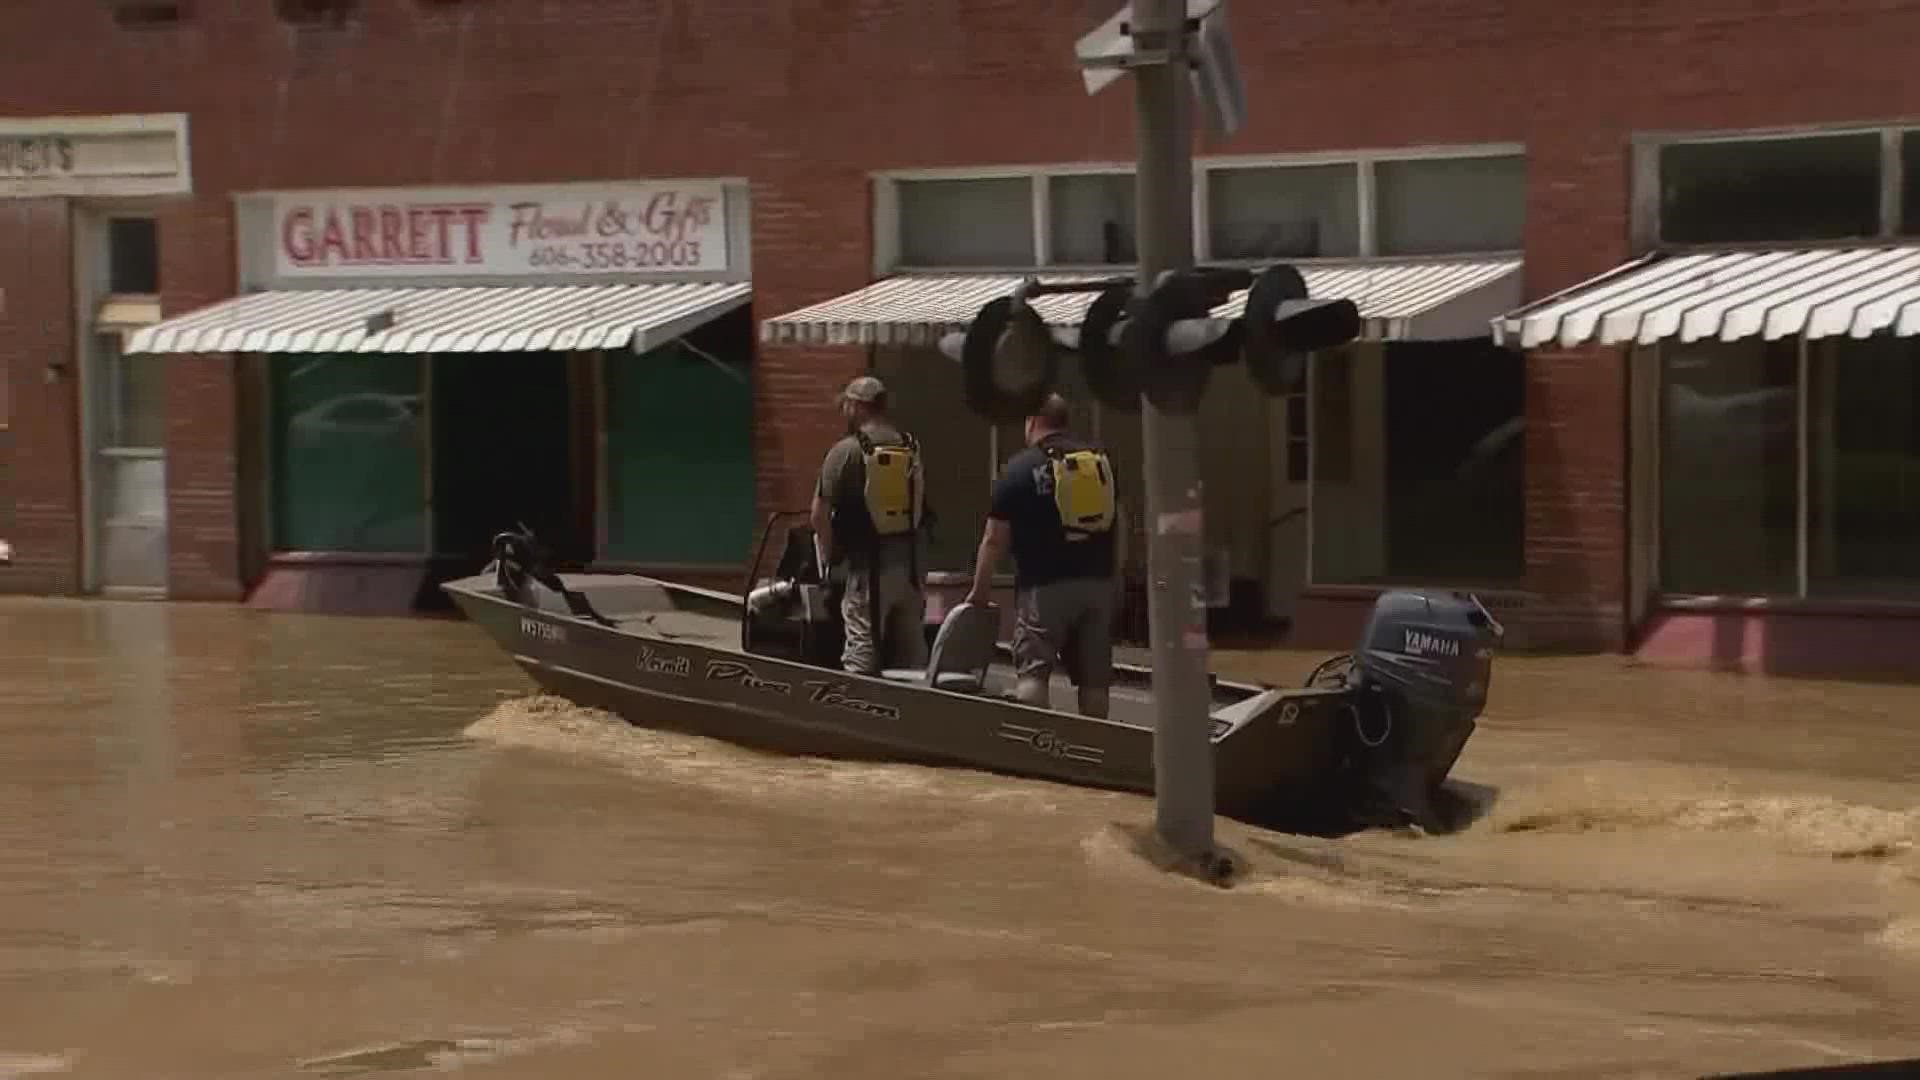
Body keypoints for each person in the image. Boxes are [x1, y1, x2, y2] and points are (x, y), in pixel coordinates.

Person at [964, 392, 1119, 718]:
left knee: (1033, 674)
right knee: (1094, 680)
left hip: (1044, 589)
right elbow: (1121, 521)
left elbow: (993, 540)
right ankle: (1096, 748)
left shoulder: (1019, 469)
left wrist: (980, 593)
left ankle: (1037, 744)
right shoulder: (1100, 463)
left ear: (1032, 422)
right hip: (1097, 584)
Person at [811, 375, 929, 677]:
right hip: (910, 569)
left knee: (861, 648)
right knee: (911, 656)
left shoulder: (846, 451)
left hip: (868, 569)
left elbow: (819, 515)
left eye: (846, 405)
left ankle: (856, 708)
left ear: (857, 406)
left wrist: (829, 559)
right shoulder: (909, 445)